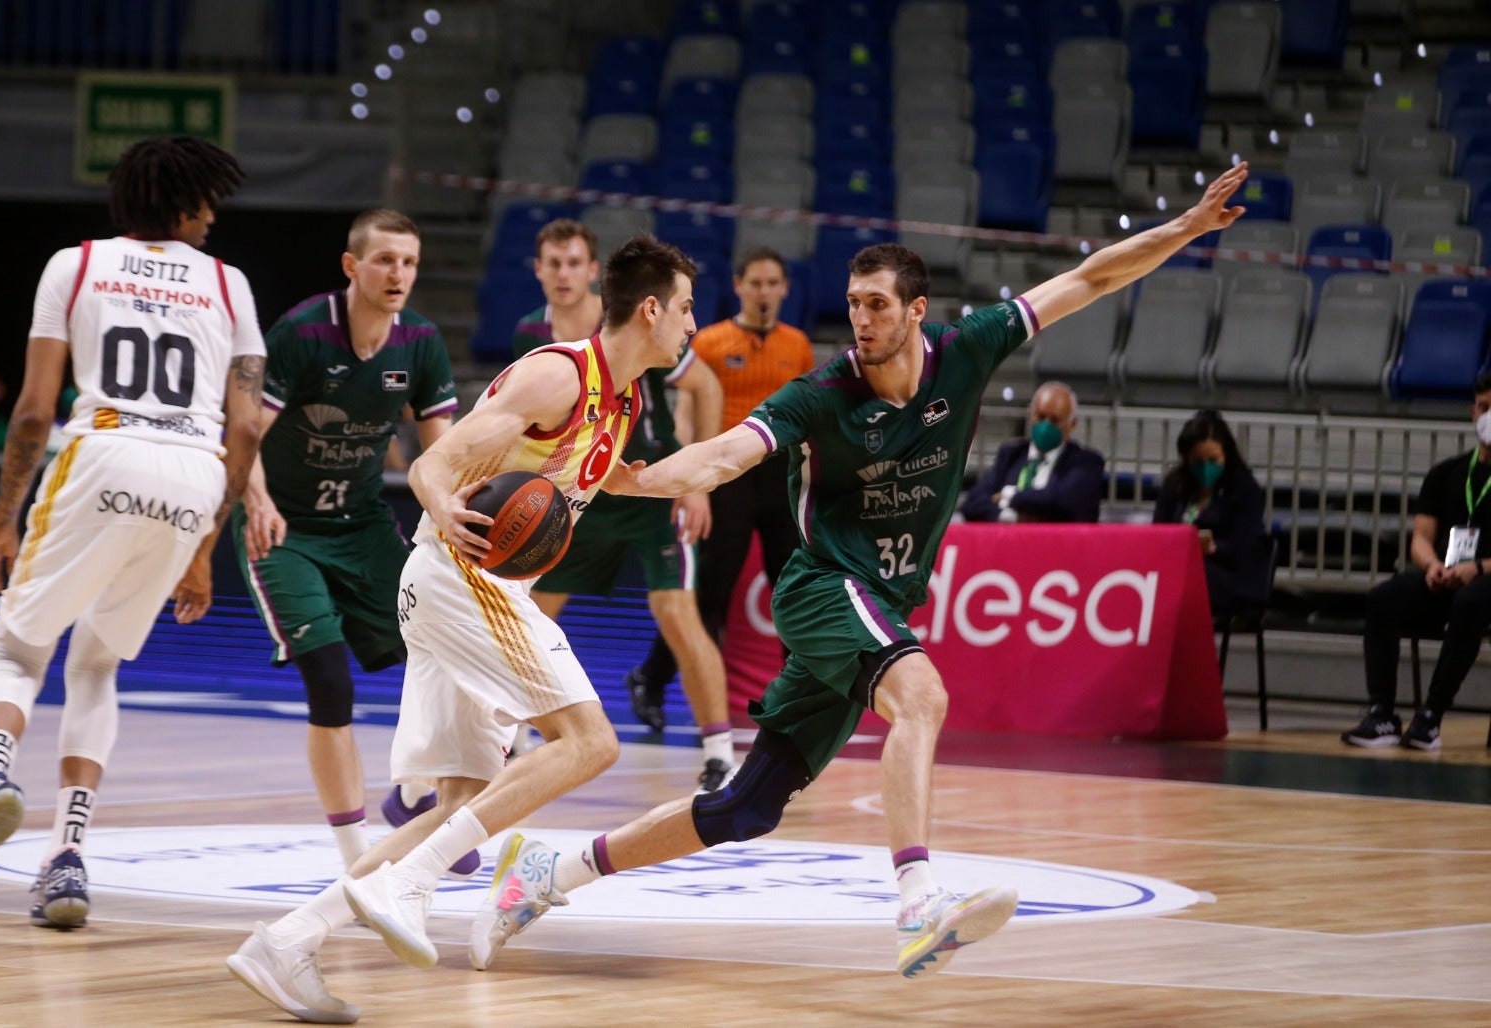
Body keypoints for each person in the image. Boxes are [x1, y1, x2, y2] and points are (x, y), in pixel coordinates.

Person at [462, 164, 1253, 983]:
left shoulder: (970, 348)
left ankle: (548, 874)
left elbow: (1090, 276)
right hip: (824, 585)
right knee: (923, 696)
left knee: (744, 809)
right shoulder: (822, 392)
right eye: (853, 303)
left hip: (881, 595)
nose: (862, 319)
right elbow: (730, 452)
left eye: (878, 305)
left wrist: (1187, 229)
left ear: (916, 310)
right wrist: (638, 476)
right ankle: (918, 903)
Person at [226, 235, 700, 1024]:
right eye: (685, 308)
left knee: (461, 804)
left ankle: (287, 941)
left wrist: (730, 461)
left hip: (469, 588)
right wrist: (443, 501)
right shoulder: (558, 373)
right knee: (593, 742)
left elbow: (618, 478)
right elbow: (432, 465)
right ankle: (407, 885)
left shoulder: (624, 402)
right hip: (464, 576)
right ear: (650, 308)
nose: (691, 324)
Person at [0, 136, 265, 930]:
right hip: (191, 470)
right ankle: (67, 855)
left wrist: (1, 517)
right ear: (181, 204)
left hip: (102, 454)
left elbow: (36, 411)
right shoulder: (229, 284)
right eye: (206, 200)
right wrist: (205, 546)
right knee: (98, 663)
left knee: (14, 649)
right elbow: (248, 426)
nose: (213, 216)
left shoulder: (72, 266)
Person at [235, 209, 465, 872]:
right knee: (331, 681)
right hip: (286, 530)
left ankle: (416, 791)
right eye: (386, 260)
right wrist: (257, 500)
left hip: (363, 526)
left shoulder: (419, 342)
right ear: (351, 266)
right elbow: (246, 429)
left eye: (410, 262)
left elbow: (439, 452)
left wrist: (449, 512)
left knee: (443, 644)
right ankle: (356, 860)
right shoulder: (302, 333)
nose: (399, 274)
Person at [512, 219, 734, 792]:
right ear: (537, 270)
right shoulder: (529, 334)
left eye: (573, 263)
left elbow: (706, 386)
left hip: (645, 484)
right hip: (578, 491)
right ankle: (511, 736)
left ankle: (720, 754)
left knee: (676, 612)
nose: (563, 274)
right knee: (527, 615)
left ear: (592, 271)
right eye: (552, 263)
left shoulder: (629, 324)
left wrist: (696, 483)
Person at [626, 247, 815, 737]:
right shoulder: (709, 341)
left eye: (773, 283)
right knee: (709, 592)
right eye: (755, 282)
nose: (764, 291)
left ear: (785, 289)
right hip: (726, 474)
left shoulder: (798, 345)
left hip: (780, 475)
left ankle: (795, 700)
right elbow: (688, 415)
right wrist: (694, 482)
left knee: (791, 588)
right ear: (738, 285)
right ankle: (651, 679)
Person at [1342, 371, 1491, 751]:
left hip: (1484, 580)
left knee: (1471, 602)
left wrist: (1478, 568)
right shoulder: (1447, 473)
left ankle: (1431, 717)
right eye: (1485, 407)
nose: (1488, 417)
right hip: (1447, 574)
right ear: (1473, 411)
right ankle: (1382, 714)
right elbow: (1421, 538)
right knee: (1382, 599)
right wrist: (1432, 567)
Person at [1151, 409, 1269, 619]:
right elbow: (1158, 533)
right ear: (1186, 459)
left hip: (1232, 578)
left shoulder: (1244, 489)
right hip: (1181, 571)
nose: (1206, 467)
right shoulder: (1175, 486)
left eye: (1213, 460)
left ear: (1226, 455)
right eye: (1198, 461)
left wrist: (1213, 548)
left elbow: (1246, 547)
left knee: (1185, 577)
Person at [959, 381, 1105, 523]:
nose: (1045, 425)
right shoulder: (1011, 455)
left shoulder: (1086, 462)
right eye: (1040, 417)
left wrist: (1009, 495)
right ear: (1031, 415)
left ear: (1072, 424)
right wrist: (1009, 517)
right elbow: (973, 504)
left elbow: (1063, 501)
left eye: (1054, 420)